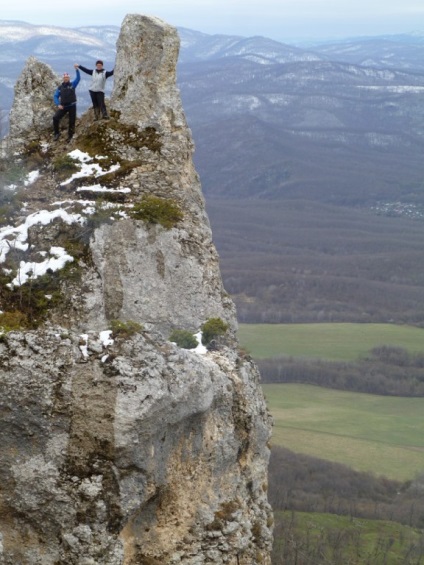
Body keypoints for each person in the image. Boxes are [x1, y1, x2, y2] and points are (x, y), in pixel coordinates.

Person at [53, 64, 81, 142]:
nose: (66, 79)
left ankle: (70, 136)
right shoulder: (60, 88)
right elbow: (55, 96)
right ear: (63, 78)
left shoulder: (72, 85)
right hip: (63, 106)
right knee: (55, 118)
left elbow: (78, 78)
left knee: (72, 121)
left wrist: (77, 70)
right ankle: (56, 133)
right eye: (65, 78)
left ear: (69, 78)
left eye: (67, 77)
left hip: (72, 106)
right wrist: (58, 104)